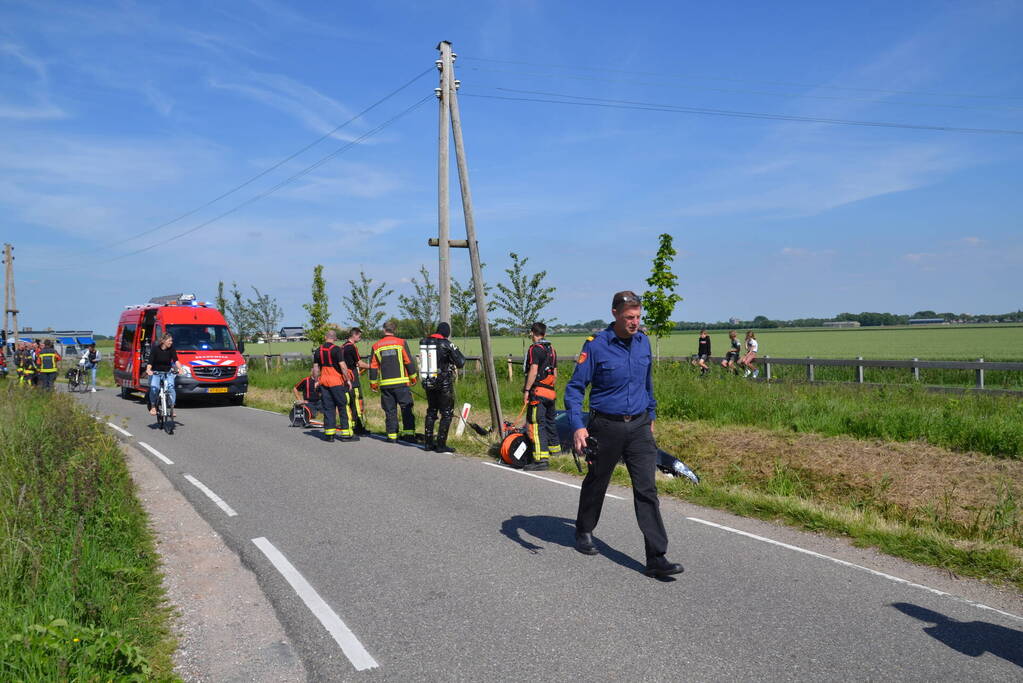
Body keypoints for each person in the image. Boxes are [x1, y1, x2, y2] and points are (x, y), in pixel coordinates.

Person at [564, 290, 683, 579]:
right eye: (630, 317)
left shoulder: (642, 343)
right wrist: (578, 426)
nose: (635, 322)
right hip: (606, 426)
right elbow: (574, 388)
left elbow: (647, 383)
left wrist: (651, 414)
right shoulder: (596, 346)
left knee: (647, 489)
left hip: (640, 426)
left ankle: (656, 557)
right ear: (615, 314)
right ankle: (584, 529)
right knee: (597, 481)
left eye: (639, 317)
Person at [419, 322, 465, 453]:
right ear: (446, 332)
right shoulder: (446, 343)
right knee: (446, 413)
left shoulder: (425, 342)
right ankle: (441, 444)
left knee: (432, 411)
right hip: (443, 383)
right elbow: (461, 362)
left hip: (429, 381)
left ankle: (428, 444)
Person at [369, 321, 418, 443]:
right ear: (395, 330)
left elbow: (373, 367)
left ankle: (392, 436)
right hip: (401, 384)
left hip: (386, 385)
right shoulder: (401, 342)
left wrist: (373, 384)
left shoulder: (376, 346)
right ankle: (409, 436)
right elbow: (408, 361)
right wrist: (413, 377)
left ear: (384, 329)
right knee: (406, 409)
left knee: (390, 411)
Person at [522, 322, 560, 470]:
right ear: (544, 333)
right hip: (551, 392)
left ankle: (540, 459)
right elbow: (555, 373)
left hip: (538, 393)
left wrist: (526, 390)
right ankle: (555, 454)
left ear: (532, 333)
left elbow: (533, 370)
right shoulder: (552, 350)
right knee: (551, 423)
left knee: (536, 425)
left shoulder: (534, 349)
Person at [311, 329, 357, 443]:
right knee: (342, 407)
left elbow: (316, 368)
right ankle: (346, 434)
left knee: (328, 408)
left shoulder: (318, 350)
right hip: (336, 382)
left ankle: (329, 434)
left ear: (325, 337)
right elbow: (343, 366)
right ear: (335, 338)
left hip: (324, 382)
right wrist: (348, 380)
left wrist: (316, 380)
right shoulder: (337, 350)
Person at [146, 333, 187, 418]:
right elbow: (150, 362)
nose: (171, 342)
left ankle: (172, 408)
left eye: (171, 341)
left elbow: (176, 360)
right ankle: (153, 406)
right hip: (156, 373)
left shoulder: (171, 349)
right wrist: (149, 370)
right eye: (169, 341)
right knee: (154, 388)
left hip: (168, 373)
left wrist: (180, 369)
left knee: (171, 388)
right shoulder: (155, 349)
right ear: (163, 341)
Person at [341, 328, 371, 435]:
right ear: (354, 335)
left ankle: (351, 426)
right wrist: (372, 366)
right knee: (357, 404)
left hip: (344, 380)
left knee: (349, 404)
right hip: (353, 380)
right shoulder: (352, 347)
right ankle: (359, 427)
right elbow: (359, 363)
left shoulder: (342, 347)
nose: (360, 338)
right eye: (359, 336)